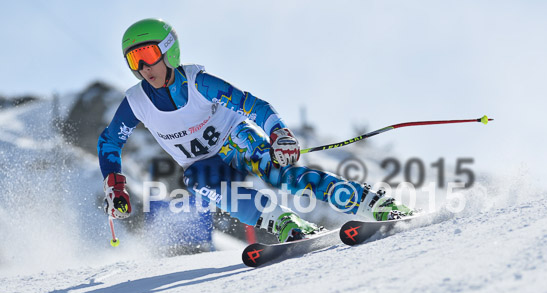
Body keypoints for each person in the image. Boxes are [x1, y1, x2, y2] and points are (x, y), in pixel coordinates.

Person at [98, 18, 412, 244]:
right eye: (134, 60)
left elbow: (253, 106)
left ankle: (375, 203)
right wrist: (114, 185)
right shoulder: (137, 102)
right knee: (198, 182)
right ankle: (284, 221)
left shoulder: (198, 83)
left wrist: (279, 135)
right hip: (201, 165)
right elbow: (110, 143)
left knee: (281, 176)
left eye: (149, 55)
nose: (144, 68)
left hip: (235, 140)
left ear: (169, 51)